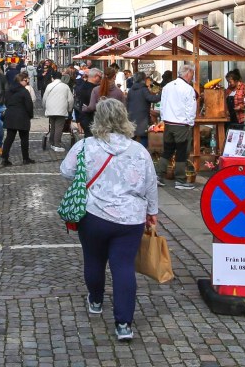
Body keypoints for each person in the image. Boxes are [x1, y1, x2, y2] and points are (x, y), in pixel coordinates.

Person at [61, 98, 159, 343]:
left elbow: (66, 170)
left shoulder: (86, 146)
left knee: (93, 259)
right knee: (123, 267)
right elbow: (150, 184)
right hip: (130, 218)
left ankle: (95, 299)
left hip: (94, 214)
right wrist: (152, 212)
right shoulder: (139, 150)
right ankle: (124, 323)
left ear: (99, 120)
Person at [158, 64, 198, 190]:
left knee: (167, 151)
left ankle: (158, 176)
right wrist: (190, 123)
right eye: (192, 74)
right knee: (181, 152)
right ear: (188, 74)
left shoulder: (167, 86)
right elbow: (191, 108)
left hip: (168, 122)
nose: (192, 77)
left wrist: (163, 118)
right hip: (181, 124)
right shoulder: (188, 89)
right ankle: (180, 180)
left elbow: (162, 105)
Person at [2, 72, 35, 166]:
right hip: (22, 116)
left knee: (9, 138)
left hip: (11, 115)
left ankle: (4, 158)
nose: (27, 81)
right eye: (26, 80)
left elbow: (6, 102)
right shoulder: (24, 91)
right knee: (24, 139)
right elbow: (29, 105)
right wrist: (30, 115)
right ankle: (25, 158)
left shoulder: (9, 90)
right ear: (21, 81)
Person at [126, 72, 161, 150]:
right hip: (143, 118)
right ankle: (141, 153)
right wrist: (162, 95)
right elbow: (152, 99)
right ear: (143, 79)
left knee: (132, 138)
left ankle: (131, 153)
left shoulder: (131, 90)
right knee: (144, 137)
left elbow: (127, 103)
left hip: (131, 117)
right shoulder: (143, 89)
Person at [43, 70, 75, 153]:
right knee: (59, 127)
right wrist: (70, 109)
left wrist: (45, 107)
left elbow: (44, 98)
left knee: (52, 125)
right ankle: (56, 144)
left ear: (52, 77)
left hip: (50, 109)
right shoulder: (65, 86)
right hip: (61, 109)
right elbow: (70, 100)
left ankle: (52, 141)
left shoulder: (49, 85)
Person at [75, 68, 102, 136]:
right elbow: (92, 105)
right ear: (95, 77)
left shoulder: (83, 85)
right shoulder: (93, 89)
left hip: (84, 117)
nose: (102, 79)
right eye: (100, 77)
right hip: (90, 118)